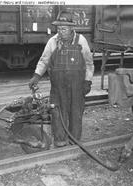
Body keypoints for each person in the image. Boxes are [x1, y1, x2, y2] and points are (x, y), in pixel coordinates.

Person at [28, 11, 94, 147]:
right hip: (58, 87)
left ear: (71, 29)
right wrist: (36, 76)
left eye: (64, 29)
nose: (60, 32)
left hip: (77, 86)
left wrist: (87, 81)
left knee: (76, 113)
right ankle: (60, 141)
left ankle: (74, 141)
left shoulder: (81, 41)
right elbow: (44, 60)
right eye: (58, 28)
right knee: (57, 113)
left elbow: (89, 63)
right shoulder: (53, 41)